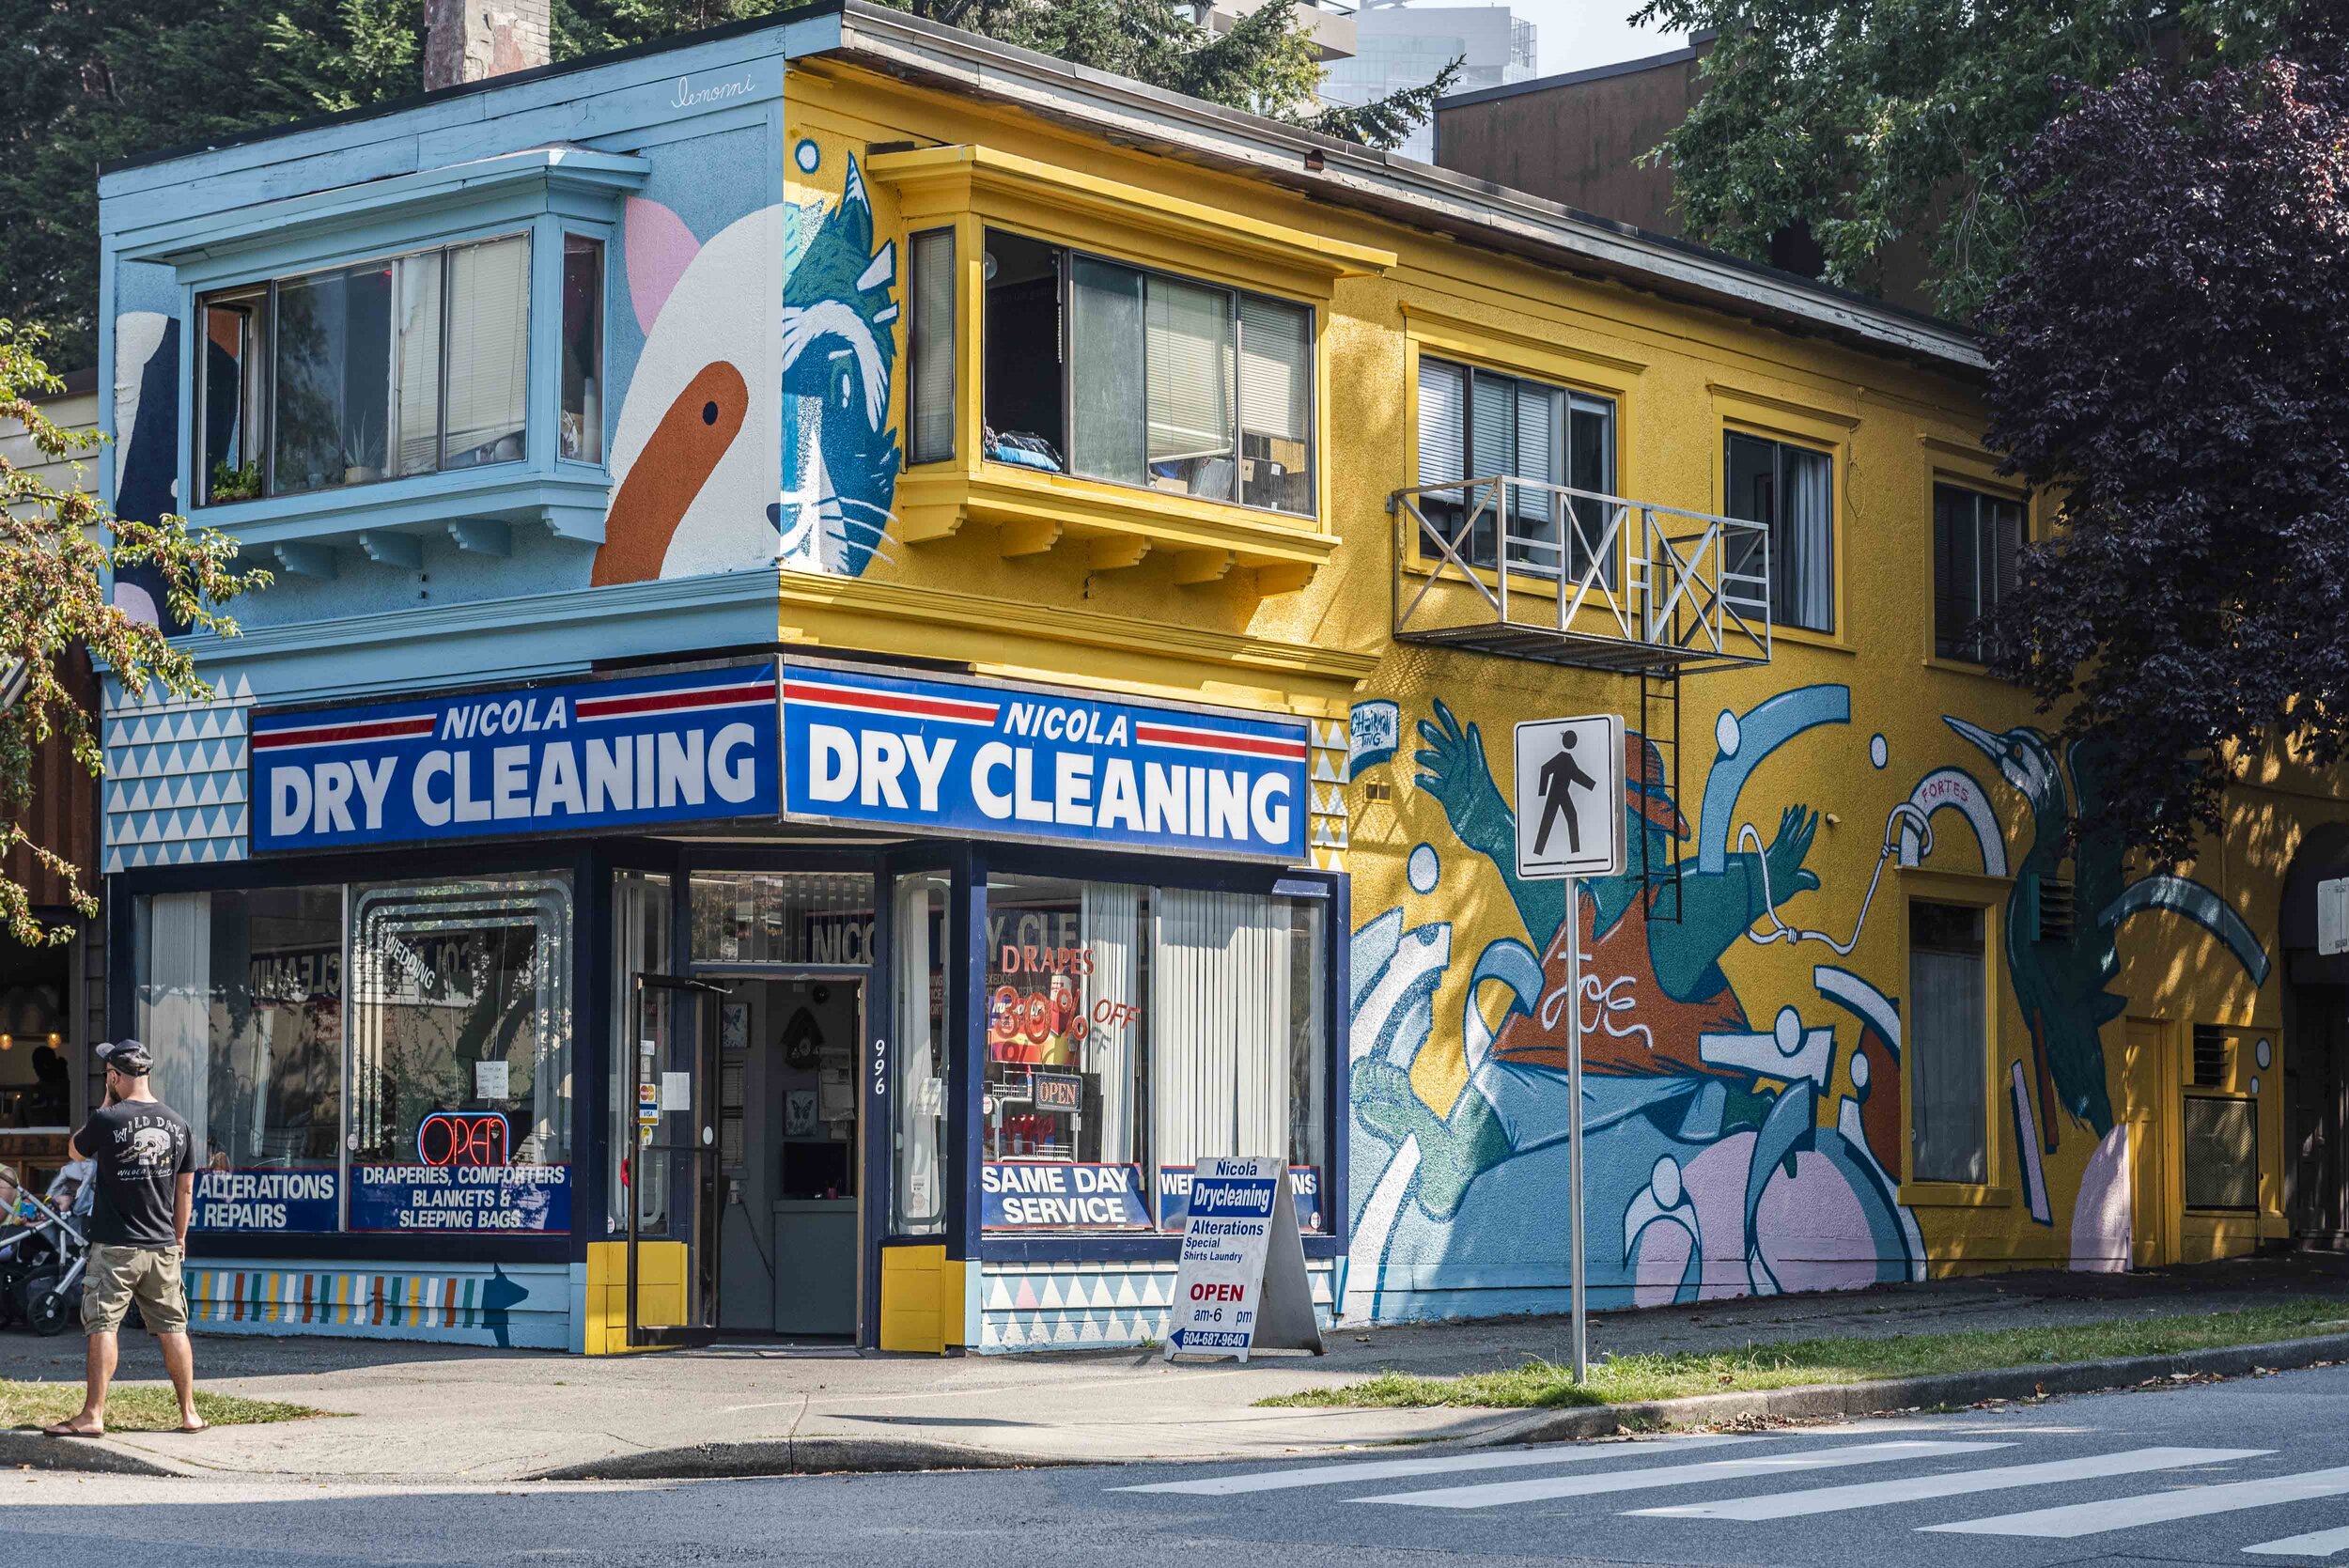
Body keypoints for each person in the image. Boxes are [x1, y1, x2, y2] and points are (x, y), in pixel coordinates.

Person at [44, 1039, 204, 1437]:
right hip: (163, 1245)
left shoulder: (108, 1119)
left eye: (108, 1075)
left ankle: (93, 1415)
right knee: (173, 1327)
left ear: (115, 1076)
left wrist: (104, 1103)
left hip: (115, 1245)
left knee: (103, 1326)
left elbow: (76, 1152)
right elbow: (185, 1191)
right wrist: (179, 1237)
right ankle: (189, 1413)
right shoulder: (179, 1123)